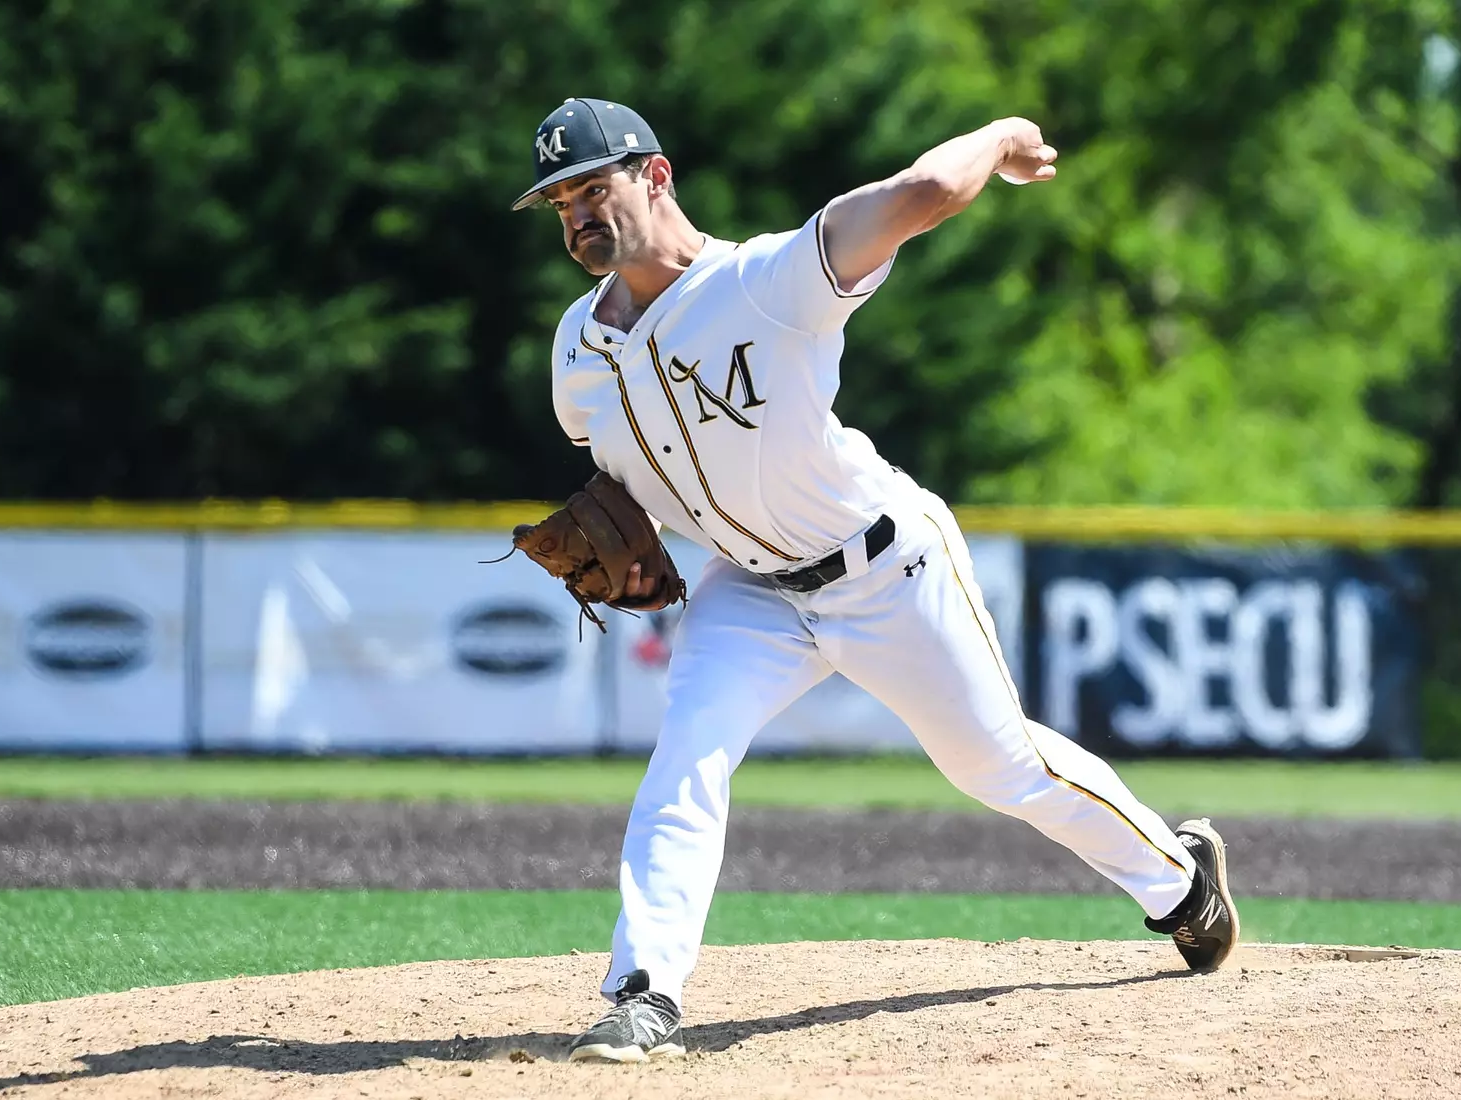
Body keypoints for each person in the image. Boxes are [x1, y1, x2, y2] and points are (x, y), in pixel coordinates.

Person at [511, 97, 1238, 1065]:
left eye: (590, 188)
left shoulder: (765, 281)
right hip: (751, 591)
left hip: (884, 565)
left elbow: (923, 193)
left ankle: (1179, 880)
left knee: (997, 766)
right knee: (684, 760)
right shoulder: (575, 351)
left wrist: (1004, 136)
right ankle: (643, 993)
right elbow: (627, 470)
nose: (575, 216)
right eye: (559, 201)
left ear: (655, 175)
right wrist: (641, 543)